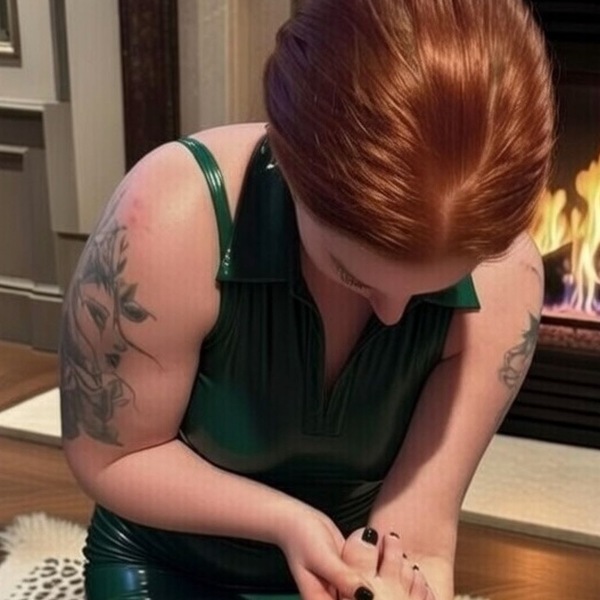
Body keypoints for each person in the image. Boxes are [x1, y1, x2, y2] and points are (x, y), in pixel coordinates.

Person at [58, 1, 555, 599]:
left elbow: (420, 538)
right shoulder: (168, 218)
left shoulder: (507, 277)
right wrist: (285, 521)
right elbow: (111, 458)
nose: (393, 316)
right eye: (352, 273)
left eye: (432, 290)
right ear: (289, 166)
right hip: (168, 562)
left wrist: (390, 584)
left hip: (346, 573)